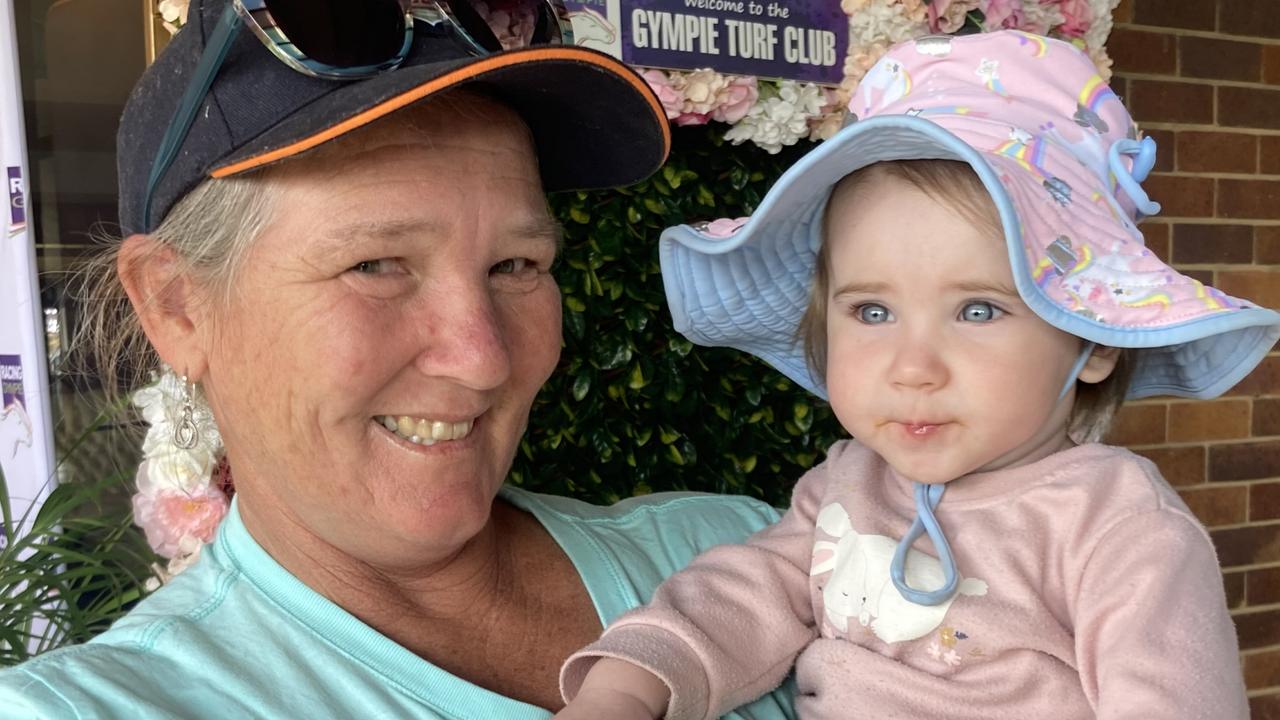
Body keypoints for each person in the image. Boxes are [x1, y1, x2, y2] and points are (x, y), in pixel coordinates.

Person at [0, 1, 797, 718]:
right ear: (176, 307)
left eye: (516, 265)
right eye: (376, 265)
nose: (481, 359)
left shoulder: (754, 557)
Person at [555, 30, 1277, 720]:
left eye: (978, 311)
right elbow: (740, 599)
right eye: (872, 312)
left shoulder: (1116, 526)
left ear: (1092, 340)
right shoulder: (847, 483)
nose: (913, 367)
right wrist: (625, 686)